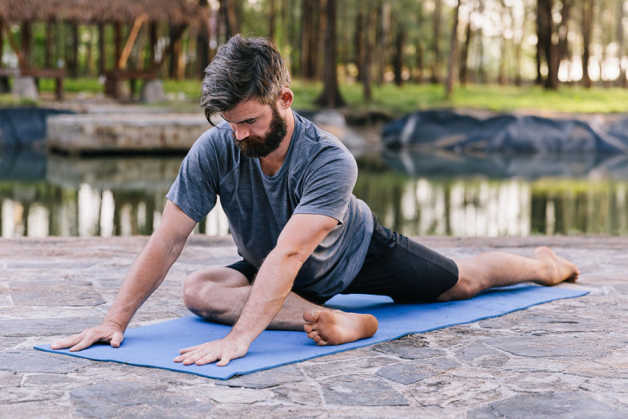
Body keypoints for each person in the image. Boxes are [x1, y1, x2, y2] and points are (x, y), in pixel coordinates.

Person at [52, 35, 579, 367]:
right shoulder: (218, 145)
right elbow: (168, 238)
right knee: (199, 288)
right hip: (274, 263)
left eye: (249, 122)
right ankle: (343, 323)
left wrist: (240, 339)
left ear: (285, 99)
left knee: (462, 282)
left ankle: (542, 265)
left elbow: (290, 254)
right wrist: (115, 320)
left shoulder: (331, 159)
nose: (237, 136)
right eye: (229, 123)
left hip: (354, 254)